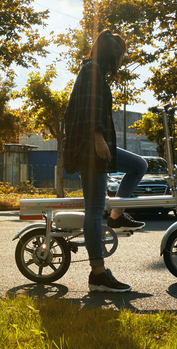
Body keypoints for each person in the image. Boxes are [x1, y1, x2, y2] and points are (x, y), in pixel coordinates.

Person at [62, 29, 148, 293]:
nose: (121, 61)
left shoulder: (92, 70)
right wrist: (99, 139)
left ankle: (116, 215)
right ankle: (98, 274)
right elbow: (91, 109)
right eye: (121, 56)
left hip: (97, 146)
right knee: (92, 209)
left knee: (139, 165)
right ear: (112, 54)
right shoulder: (93, 71)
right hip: (91, 149)